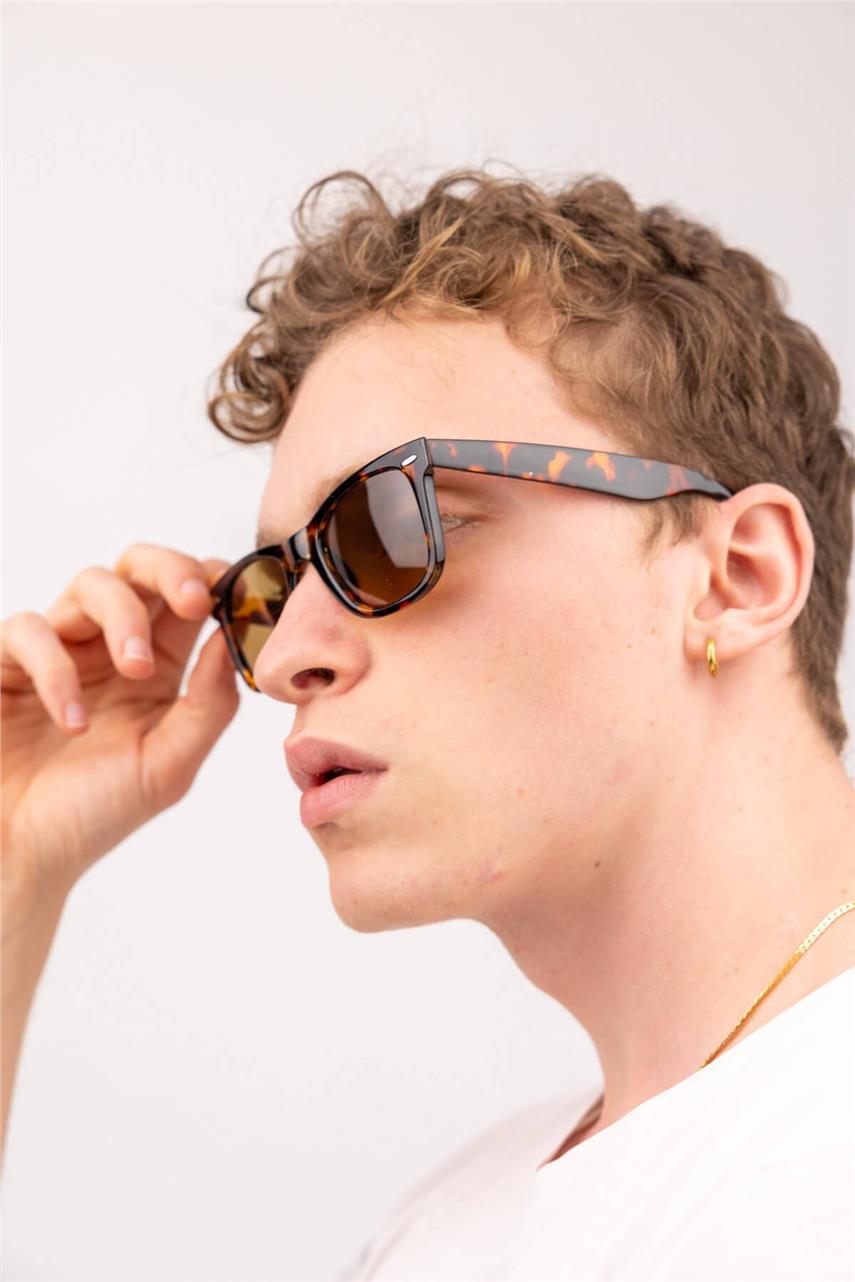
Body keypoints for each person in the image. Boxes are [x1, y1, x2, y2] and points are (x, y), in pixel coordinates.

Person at [2, 166, 854, 1281]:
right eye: (268, 589)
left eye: (393, 529)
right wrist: (13, 861)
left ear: (739, 576)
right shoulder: (456, 1216)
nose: (286, 657)